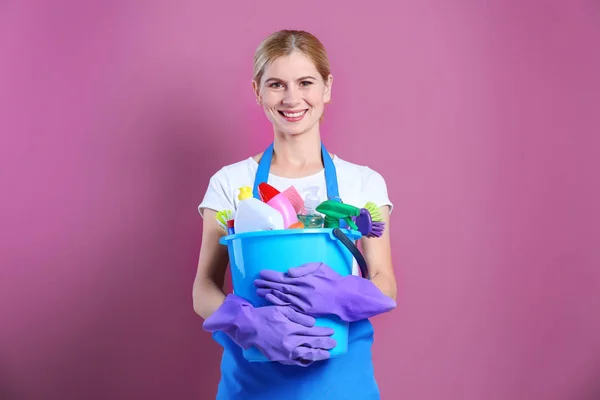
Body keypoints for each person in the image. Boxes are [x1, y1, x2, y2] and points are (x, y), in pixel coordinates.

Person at [193, 29, 397, 399]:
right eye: (276, 84)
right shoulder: (230, 182)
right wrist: (249, 322)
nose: (292, 98)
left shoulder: (363, 183)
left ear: (327, 88)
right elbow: (203, 289)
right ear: (257, 91)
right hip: (252, 387)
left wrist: (342, 294)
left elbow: (385, 282)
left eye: (305, 82)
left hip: (343, 386)